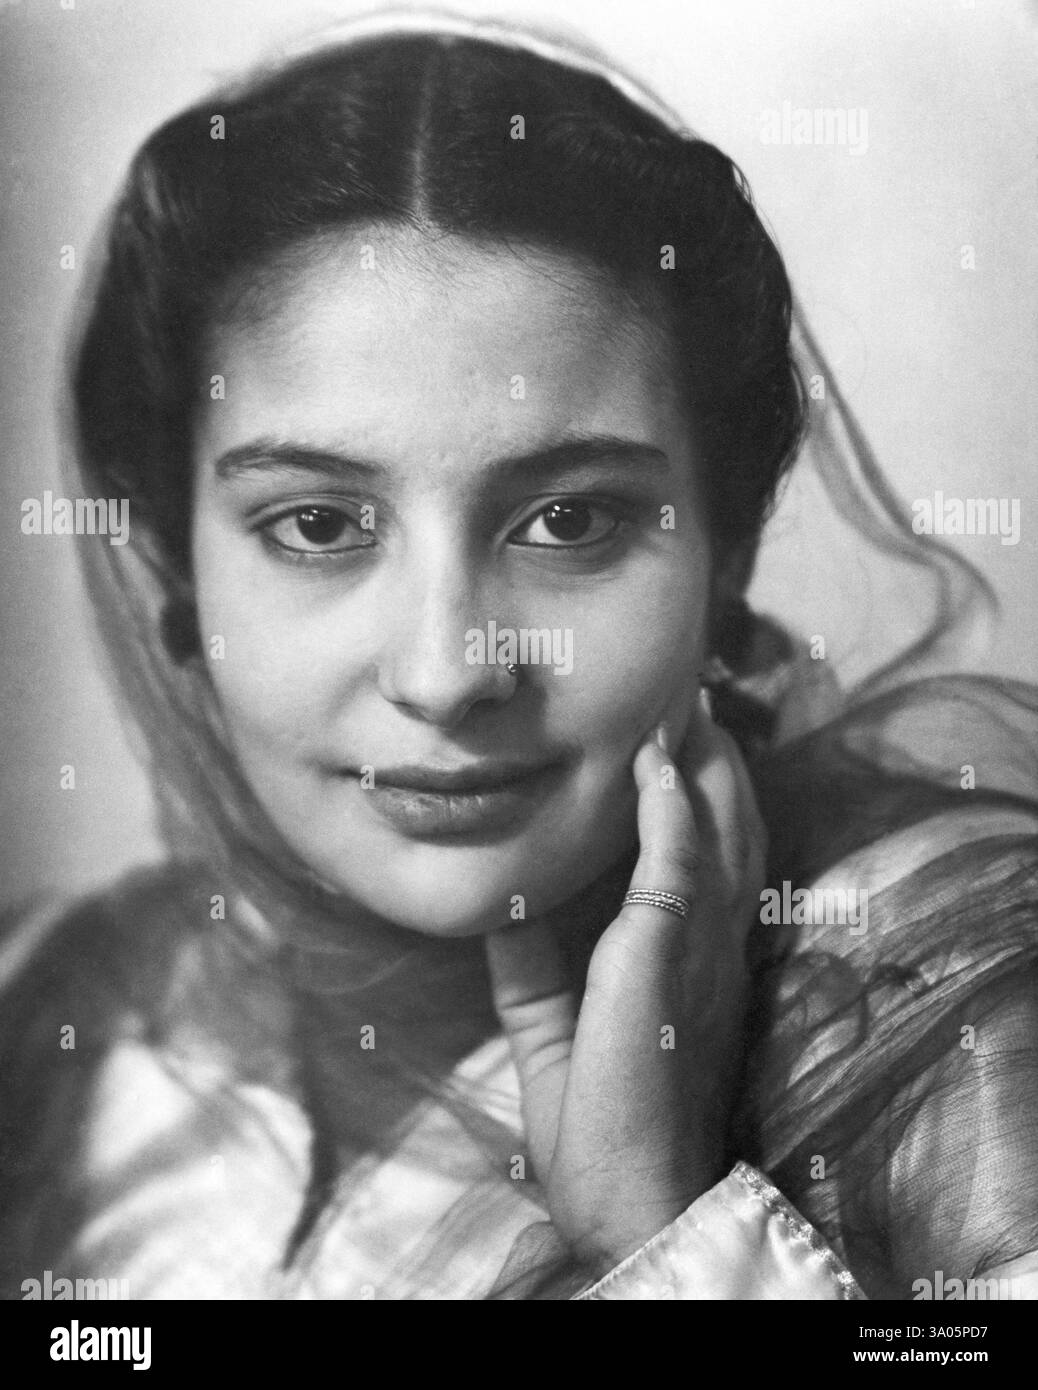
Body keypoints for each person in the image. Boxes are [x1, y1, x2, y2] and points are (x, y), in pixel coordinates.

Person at [2, 10, 1036, 1301]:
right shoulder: (68, 1014)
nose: (446, 671)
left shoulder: (962, 1020)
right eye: (317, 524)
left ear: (724, 563)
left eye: (570, 520)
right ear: (174, 573)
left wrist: (660, 1223)